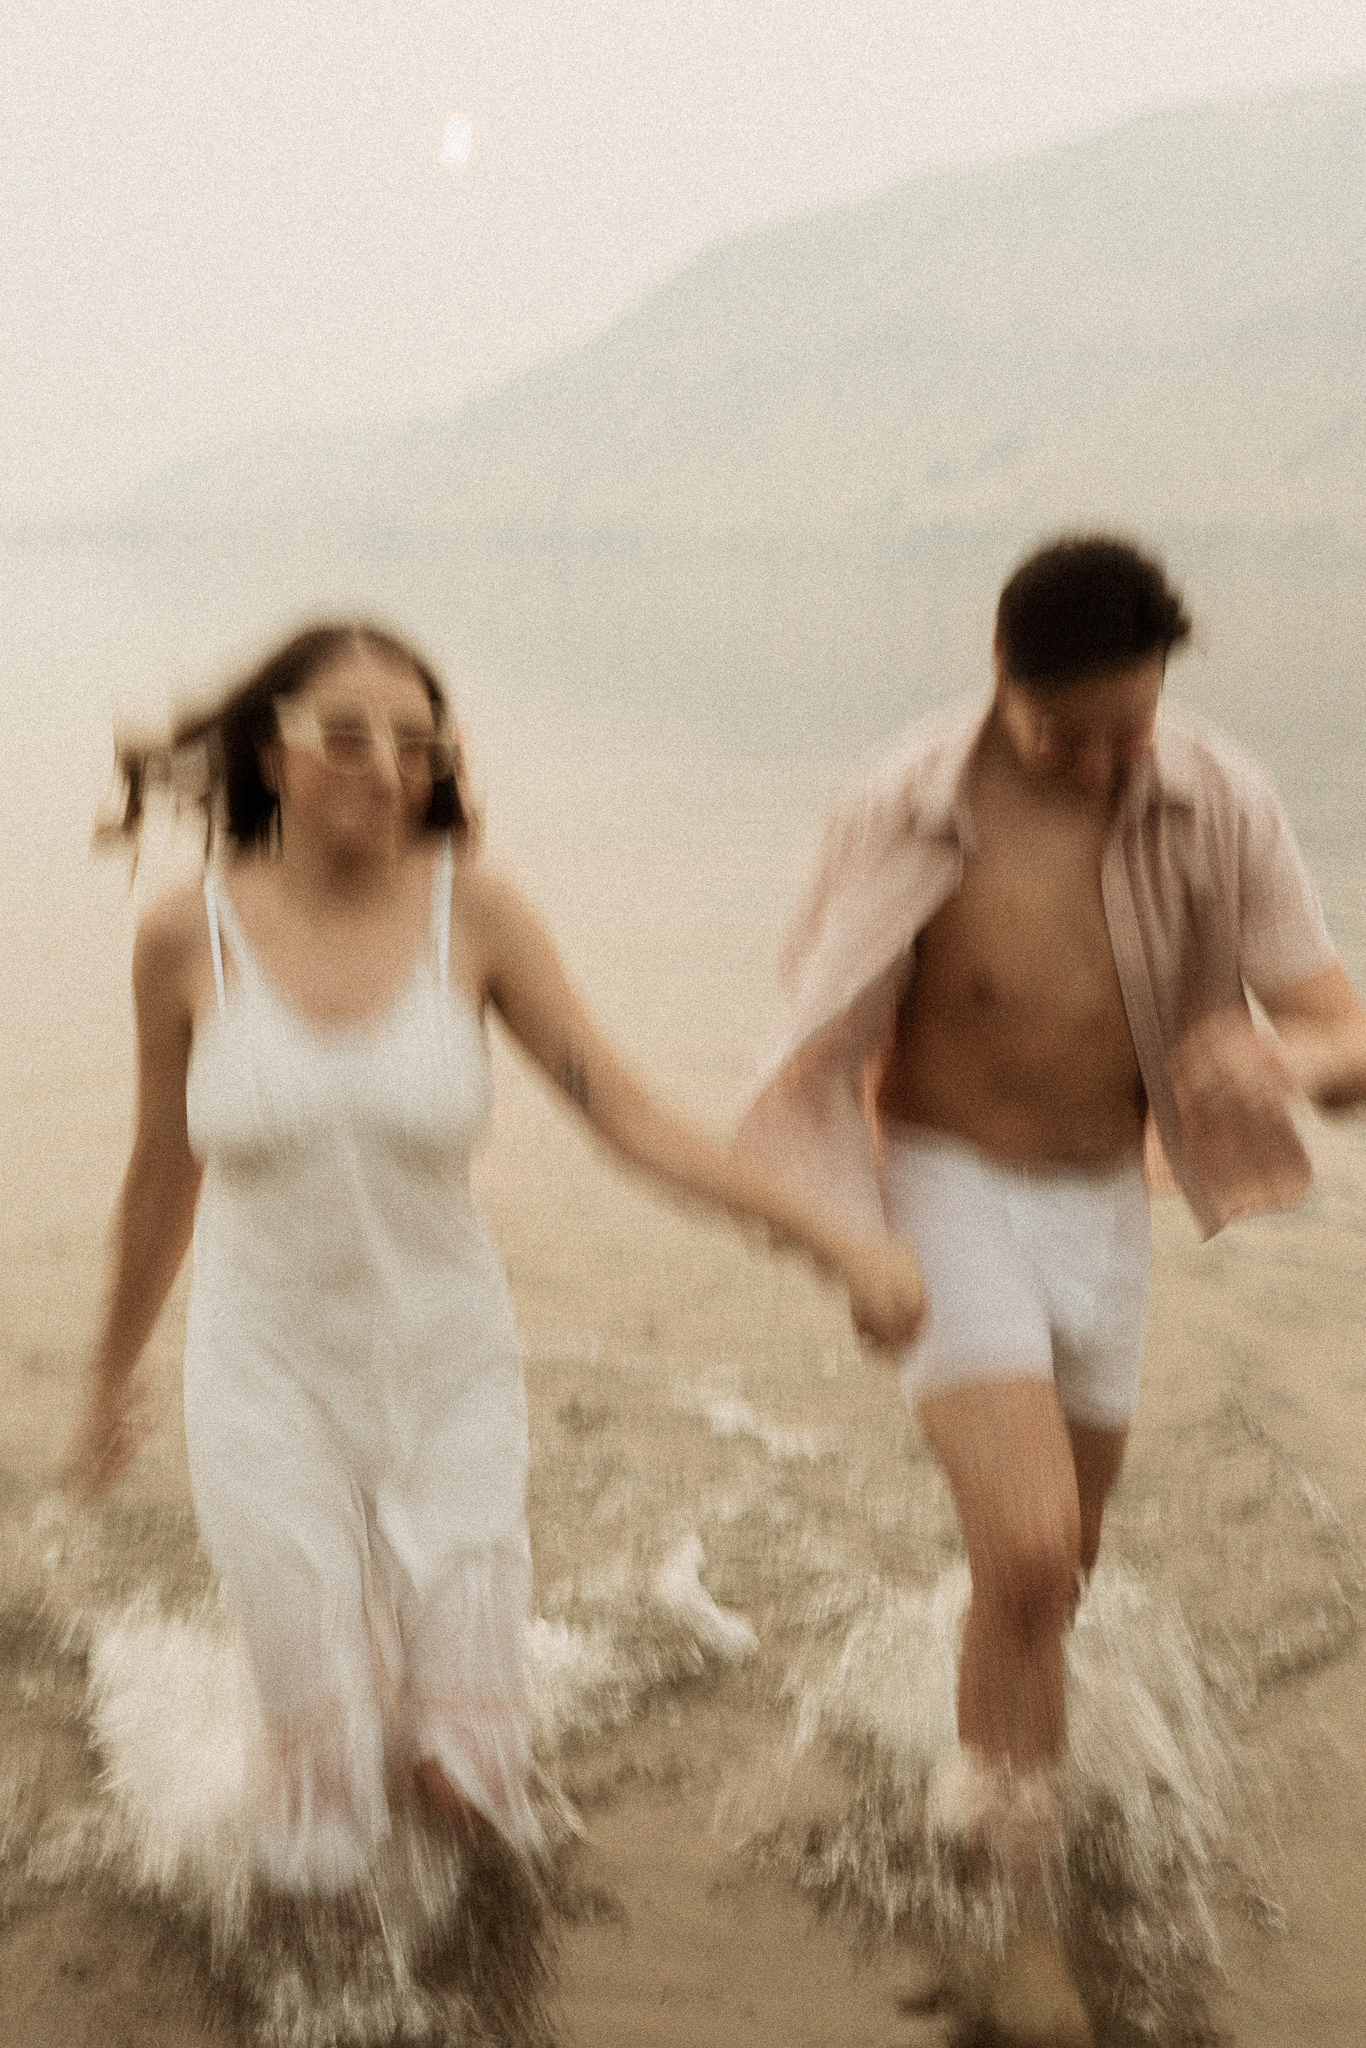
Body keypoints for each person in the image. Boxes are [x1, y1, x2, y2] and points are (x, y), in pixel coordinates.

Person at [65, 619, 926, 1894]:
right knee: (321, 1819)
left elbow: (626, 1114)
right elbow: (157, 1176)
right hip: (263, 1383)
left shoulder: (476, 912)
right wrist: (104, 1385)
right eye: (345, 735)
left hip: (447, 1376)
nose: (384, 765)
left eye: (415, 741)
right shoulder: (184, 937)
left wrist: (833, 1238)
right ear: (268, 751)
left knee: (466, 1784)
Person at [735, 535, 1366, 2045]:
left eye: (1125, 729)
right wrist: (849, 1240)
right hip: (945, 1189)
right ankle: (1019, 1938)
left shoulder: (1217, 799)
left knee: (1053, 1576)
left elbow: (1343, 1031)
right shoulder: (902, 807)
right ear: (999, 681)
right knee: (1023, 1561)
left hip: (1107, 1210)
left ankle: (978, 1738)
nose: (1095, 761)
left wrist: (1287, 1060)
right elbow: (806, 1044)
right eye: (1061, 733)